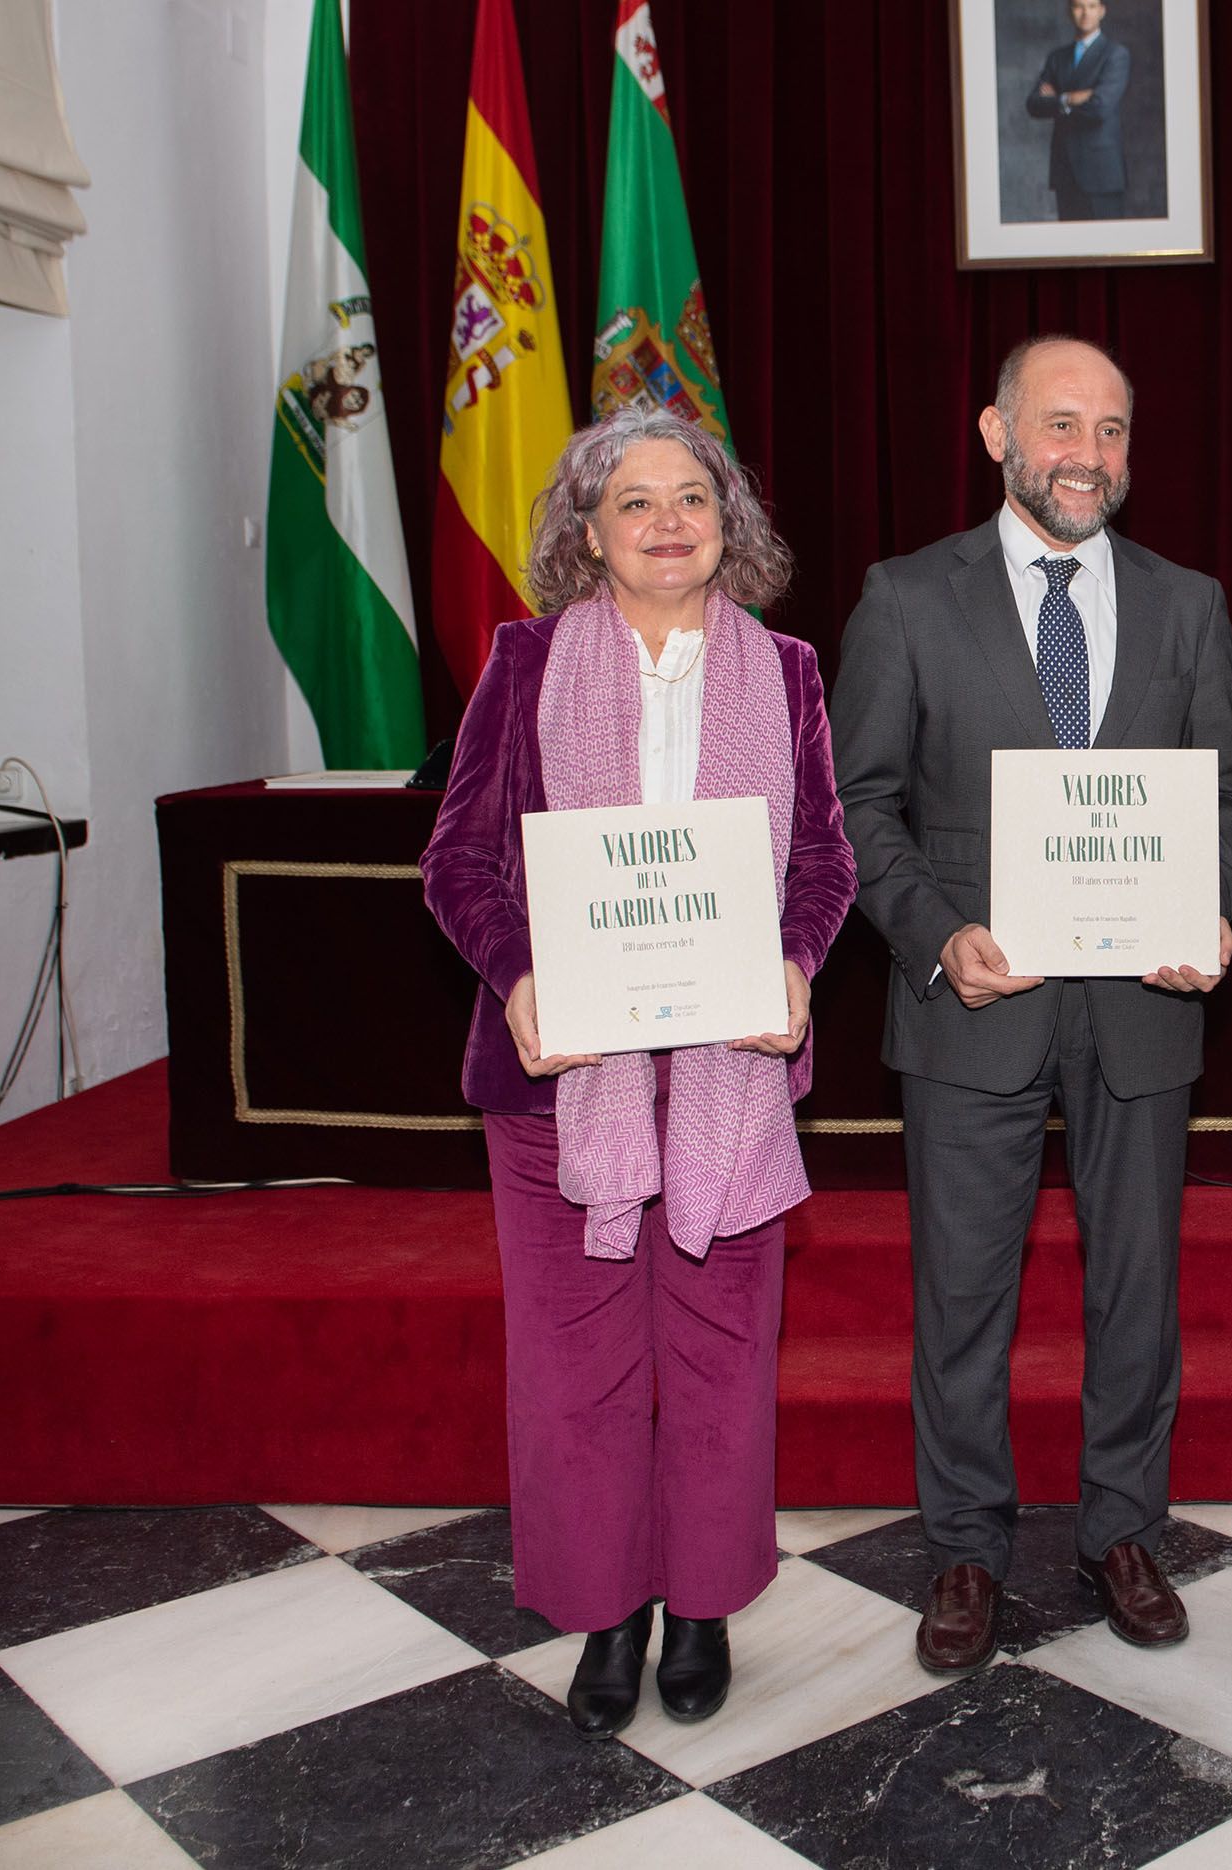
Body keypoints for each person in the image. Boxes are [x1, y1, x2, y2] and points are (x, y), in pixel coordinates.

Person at [420, 407, 856, 1739]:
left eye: (692, 498)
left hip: (725, 1075)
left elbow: (823, 864)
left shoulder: (784, 669)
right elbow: (459, 860)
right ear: (586, 532)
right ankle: (610, 1613)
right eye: (634, 501)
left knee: (722, 1359)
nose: (667, 521)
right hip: (568, 1080)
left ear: (731, 523)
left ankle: (705, 1605)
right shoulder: (526, 660)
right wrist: (520, 976)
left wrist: (792, 962)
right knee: (578, 1365)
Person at [831, 335, 1232, 1674]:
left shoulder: (1186, 602)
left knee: (1138, 1283)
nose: (1087, 453)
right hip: (975, 999)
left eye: (1113, 429)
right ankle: (965, 1547)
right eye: (1061, 423)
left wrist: (1209, 901)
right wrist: (934, 935)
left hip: (1142, 1000)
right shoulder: (904, 599)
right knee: (961, 1292)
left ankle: (1123, 1529)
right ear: (994, 431)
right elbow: (859, 802)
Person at [1024, 0, 1131, 220]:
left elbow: (1099, 109)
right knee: (1070, 249)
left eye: (1092, 6)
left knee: (1106, 248)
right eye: (1078, 7)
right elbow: (1033, 104)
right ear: (1069, 12)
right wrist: (1069, 98)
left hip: (1101, 173)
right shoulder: (1057, 57)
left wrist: (1056, 101)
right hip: (1065, 170)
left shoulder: (1115, 55)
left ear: (1102, 11)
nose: (1085, 13)